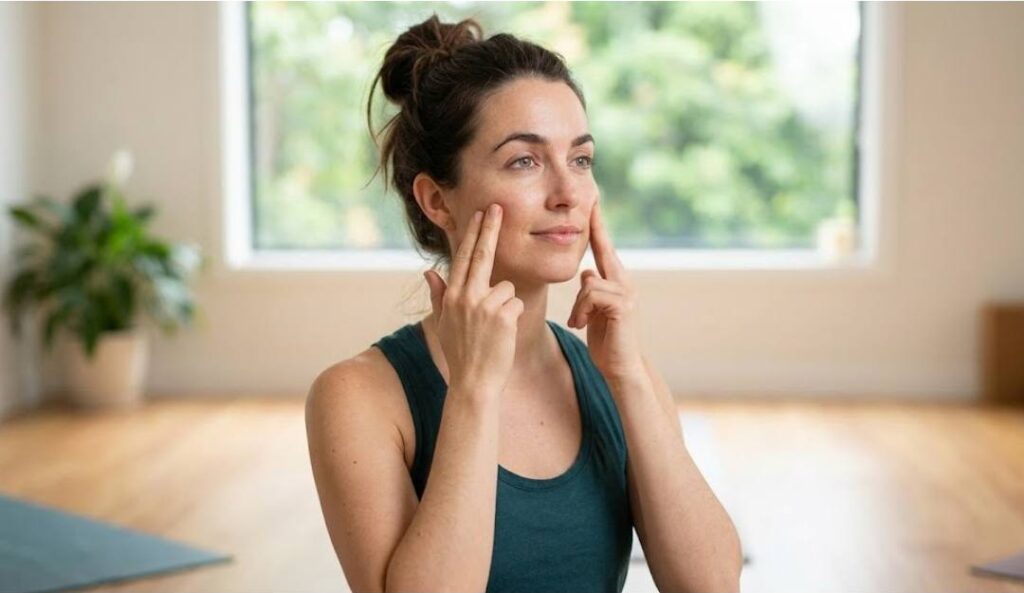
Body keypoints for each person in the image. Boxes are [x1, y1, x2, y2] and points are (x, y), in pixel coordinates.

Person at [305, 14, 743, 593]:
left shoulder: (618, 376)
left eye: (581, 160)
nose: (567, 194)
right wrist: (472, 393)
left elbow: (710, 586)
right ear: (437, 199)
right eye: (525, 161)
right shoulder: (356, 397)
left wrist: (628, 379)